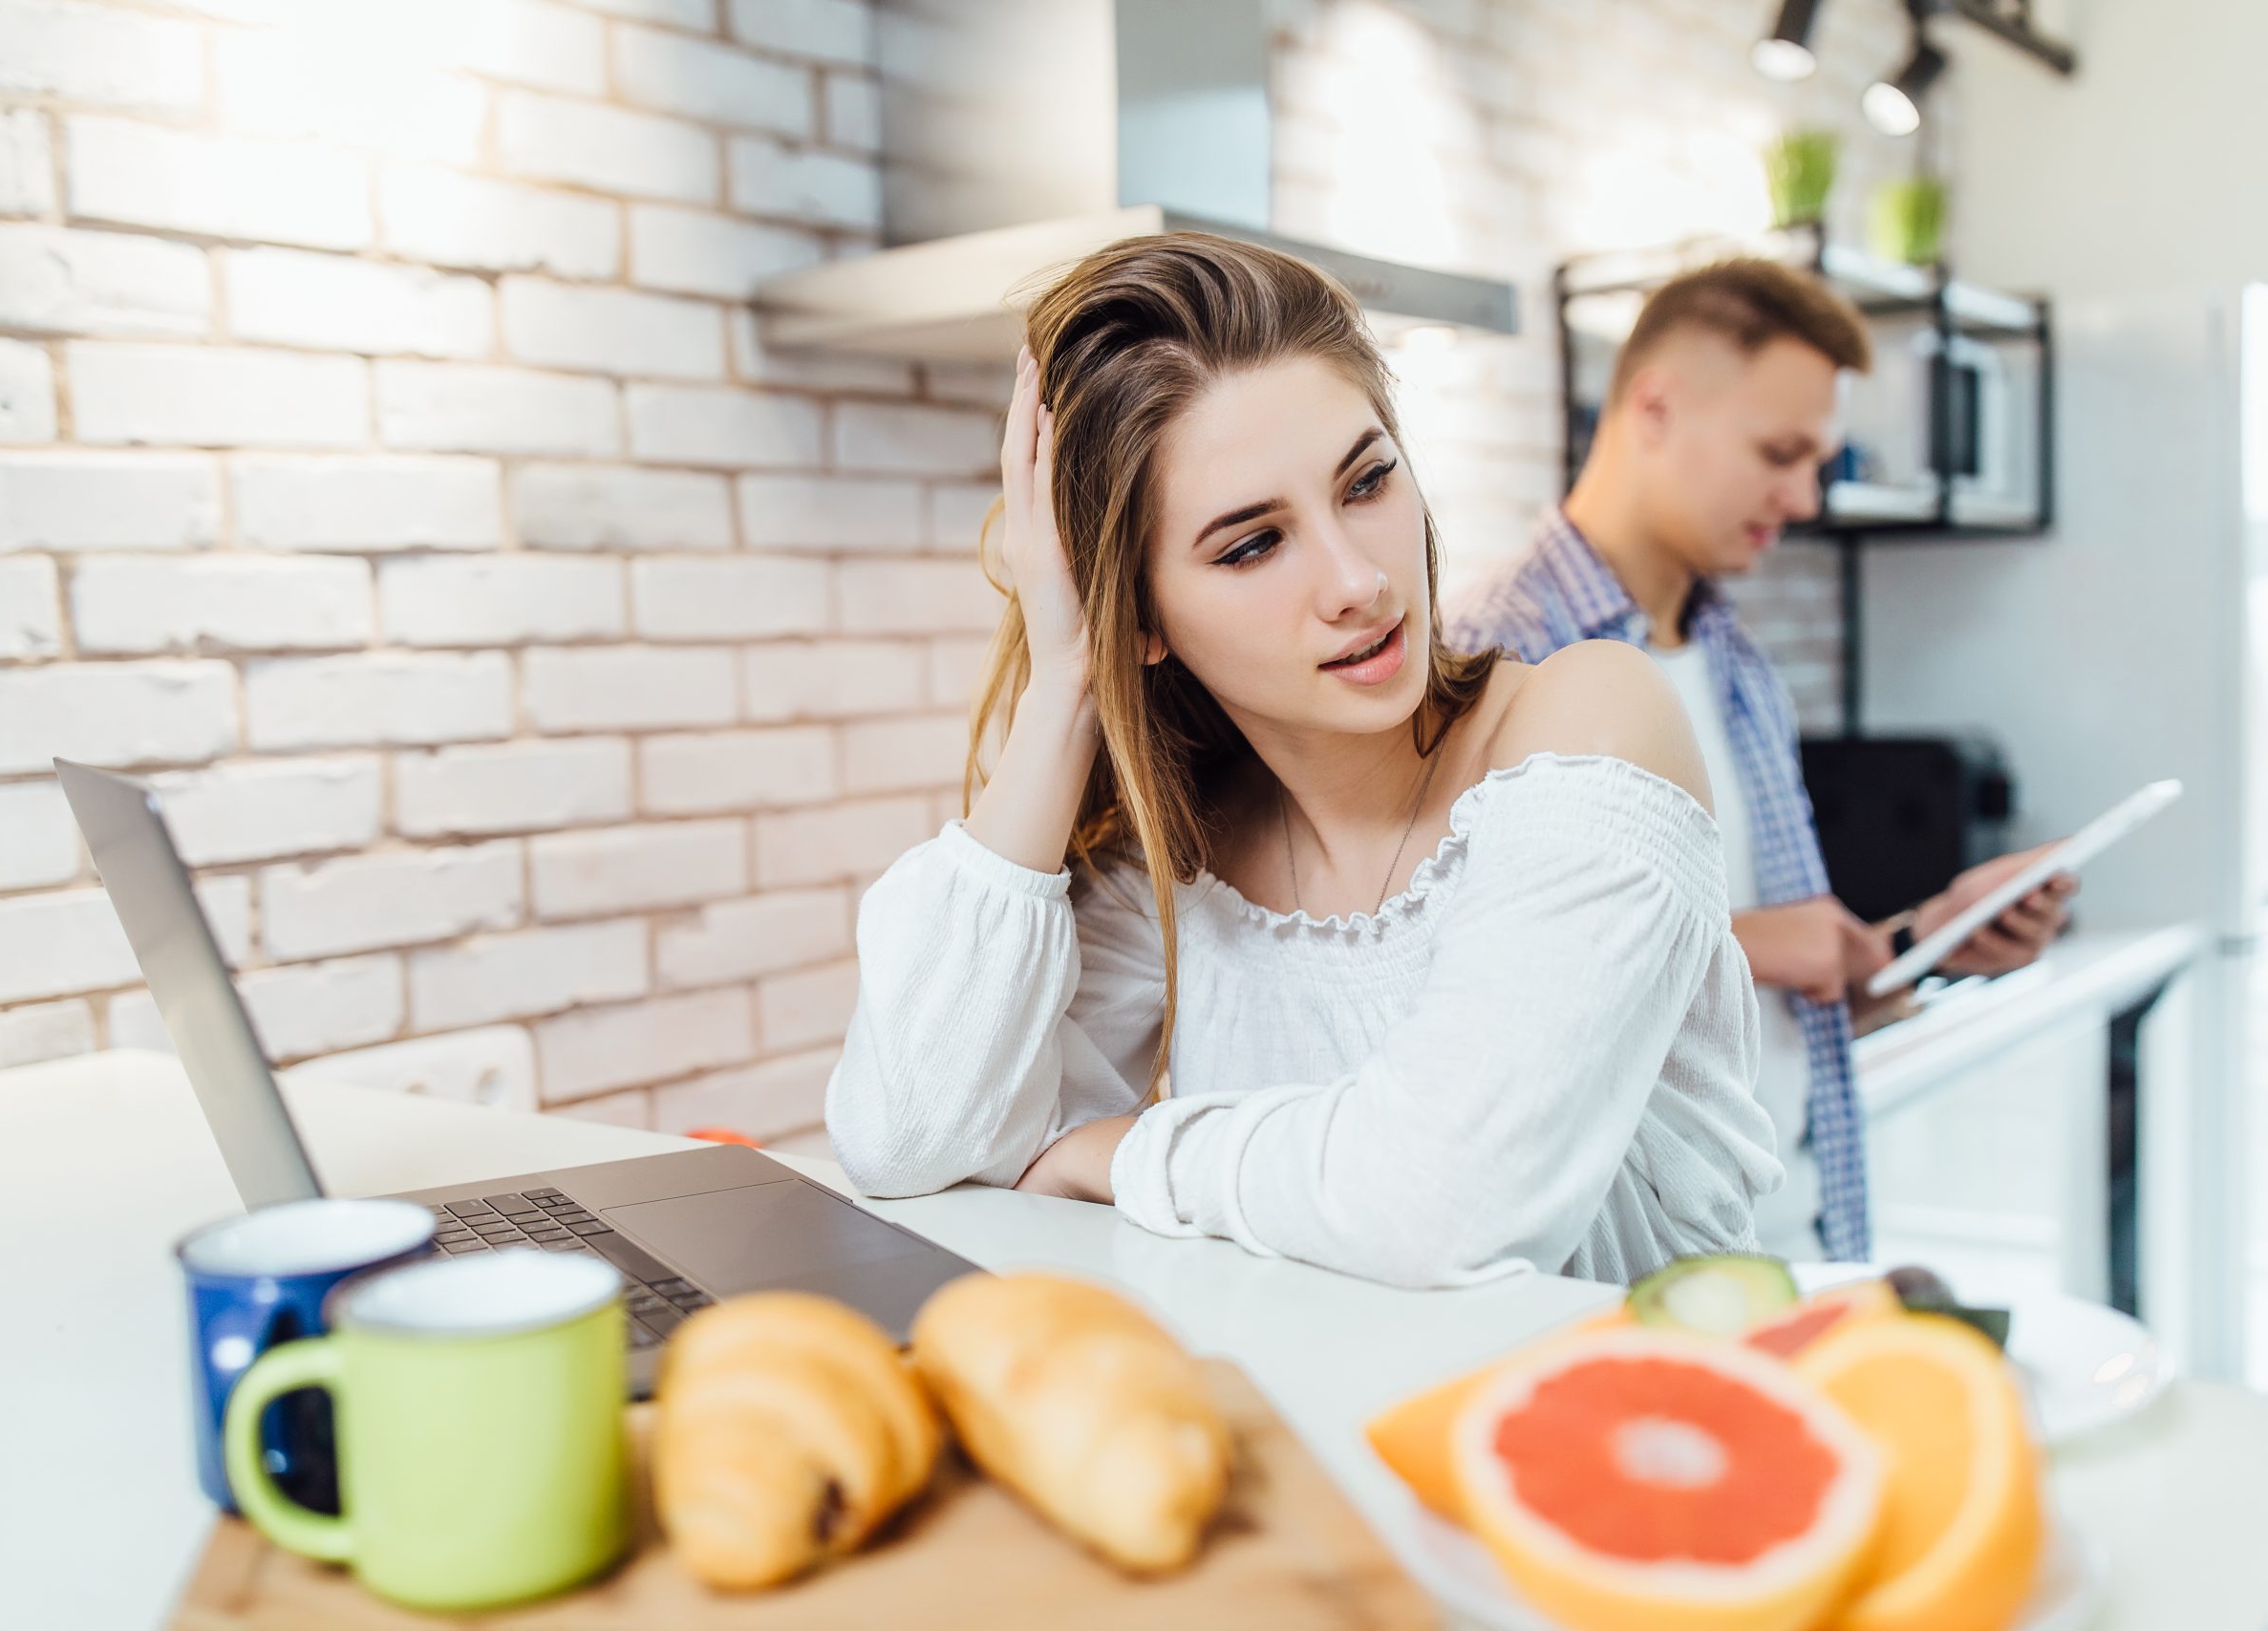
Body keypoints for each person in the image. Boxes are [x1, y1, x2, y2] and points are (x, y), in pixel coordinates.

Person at [824, 233, 1782, 1288]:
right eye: (1250, 544)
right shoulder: (1181, 875)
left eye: (1366, 482)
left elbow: (1443, 1207)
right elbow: (907, 1139)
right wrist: (1065, 681)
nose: (1357, 580)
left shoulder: (1591, 721)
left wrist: (1119, 1154)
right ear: (1141, 616)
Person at [1445, 259, 2076, 1265]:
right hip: (1625, 1265)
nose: (1804, 493)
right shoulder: (1495, 650)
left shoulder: (1735, 661)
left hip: (1798, 1229)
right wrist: (1743, 943)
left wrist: (1925, 941)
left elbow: (1755, 1012)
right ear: (1654, 406)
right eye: (1778, 452)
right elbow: (1448, 996)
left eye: (1816, 459)